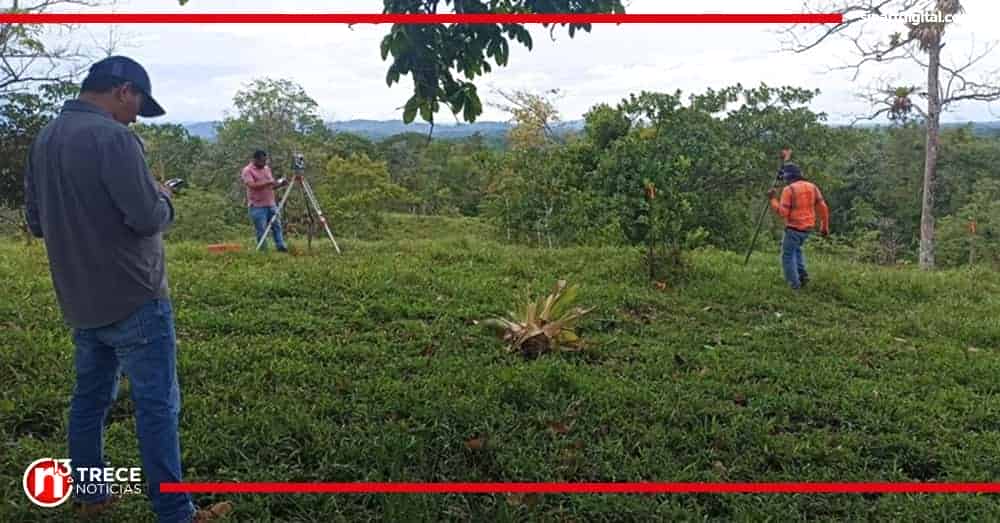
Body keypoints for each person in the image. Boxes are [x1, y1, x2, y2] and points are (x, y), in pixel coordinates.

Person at [23, 55, 231, 523]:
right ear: (122, 91)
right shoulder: (114, 138)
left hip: (80, 298)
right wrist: (164, 197)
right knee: (157, 405)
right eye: (137, 105)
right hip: (135, 295)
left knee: (89, 400)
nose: (136, 117)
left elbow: (36, 222)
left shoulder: (46, 138)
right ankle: (175, 512)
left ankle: (91, 495)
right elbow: (147, 217)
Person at [768, 163, 830, 290]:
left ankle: (794, 286)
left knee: (787, 256)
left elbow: (783, 213)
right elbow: (823, 207)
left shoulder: (789, 189)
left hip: (793, 228)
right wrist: (824, 226)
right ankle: (803, 278)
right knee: (796, 250)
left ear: (788, 177)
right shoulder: (812, 187)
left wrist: (773, 200)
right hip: (807, 228)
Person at [241, 150, 288, 252]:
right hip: (257, 206)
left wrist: (280, 184)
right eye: (262, 161)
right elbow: (252, 185)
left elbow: (271, 186)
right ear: (255, 160)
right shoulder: (247, 170)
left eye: (265, 160)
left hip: (271, 204)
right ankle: (263, 250)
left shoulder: (267, 169)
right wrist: (268, 182)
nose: (264, 163)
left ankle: (280, 246)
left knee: (277, 226)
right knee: (261, 229)